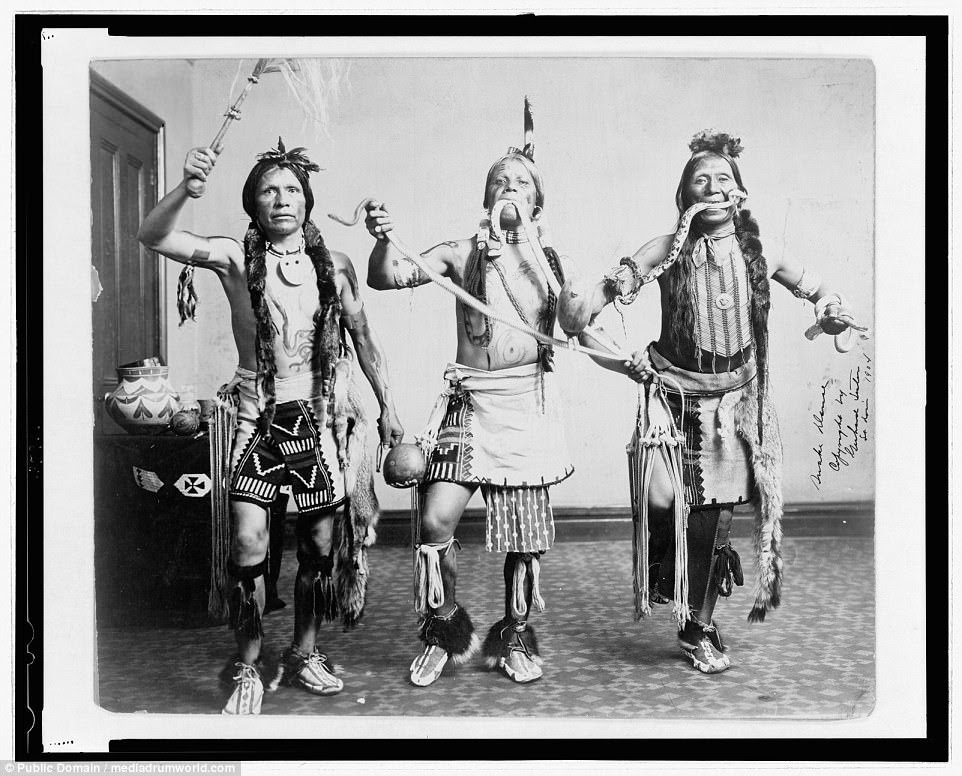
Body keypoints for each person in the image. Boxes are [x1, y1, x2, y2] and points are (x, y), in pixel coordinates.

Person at [557, 130, 859, 674]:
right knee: (661, 500)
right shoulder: (666, 249)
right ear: (684, 198)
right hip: (671, 396)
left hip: (732, 405)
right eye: (701, 180)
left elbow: (814, 287)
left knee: (713, 521)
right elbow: (596, 301)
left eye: (724, 178)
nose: (714, 188)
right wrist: (584, 317)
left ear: (740, 192)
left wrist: (830, 308)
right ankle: (665, 578)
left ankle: (699, 624)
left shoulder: (757, 253)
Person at [137, 138, 404, 714]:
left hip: (320, 418)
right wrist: (186, 187)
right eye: (268, 190)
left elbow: (362, 339)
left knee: (319, 545)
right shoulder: (235, 258)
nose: (281, 199)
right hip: (258, 415)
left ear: (307, 201)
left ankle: (304, 652)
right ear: (252, 203)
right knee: (249, 542)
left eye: (291, 189)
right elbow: (154, 236)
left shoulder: (334, 266)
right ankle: (248, 664)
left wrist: (388, 409)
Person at [362, 99, 574, 687]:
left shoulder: (550, 263)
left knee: (525, 539)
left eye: (521, 182)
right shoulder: (460, 253)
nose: (508, 187)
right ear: (484, 199)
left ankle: (514, 635)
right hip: (470, 404)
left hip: (526, 407)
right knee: (434, 524)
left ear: (537, 201)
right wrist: (384, 238)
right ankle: (443, 627)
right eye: (498, 181)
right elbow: (387, 276)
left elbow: (580, 317)